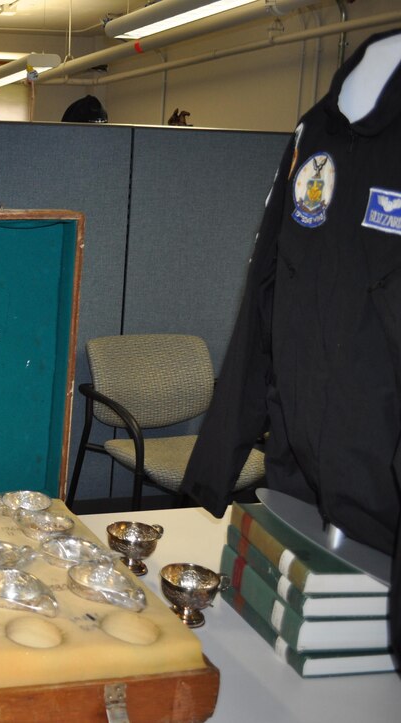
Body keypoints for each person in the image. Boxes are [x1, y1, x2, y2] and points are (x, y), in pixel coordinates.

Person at [183, 28, 401, 672]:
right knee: (274, 659)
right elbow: (263, 300)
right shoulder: (313, 138)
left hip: (383, 499)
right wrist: (214, 471)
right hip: (296, 475)